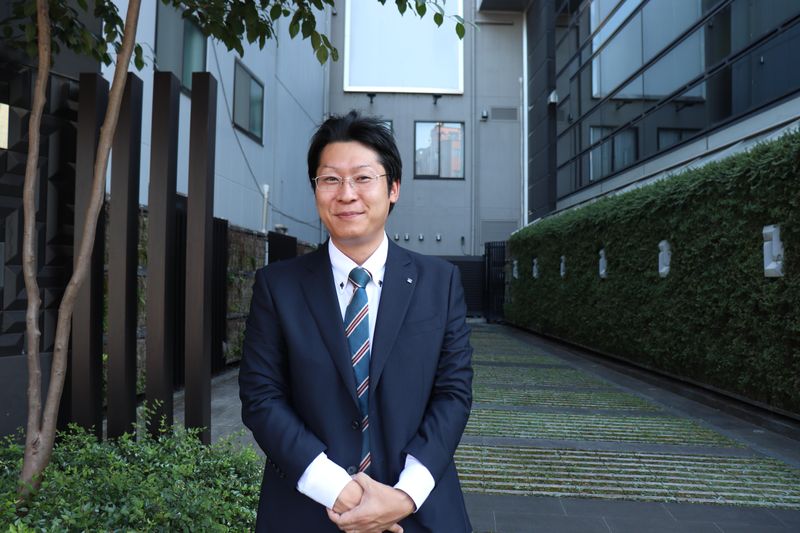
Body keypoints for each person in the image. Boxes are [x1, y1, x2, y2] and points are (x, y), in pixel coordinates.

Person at [239, 110, 473, 532]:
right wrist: (342, 493)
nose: (346, 194)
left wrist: (402, 497)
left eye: (363, 178)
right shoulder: (278, 286)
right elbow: (262, 397)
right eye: (330, 179)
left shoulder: (439, 283)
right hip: (308, 511)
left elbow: (453, 394)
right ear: (316, 190)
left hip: (418, 513)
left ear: (393, 188)